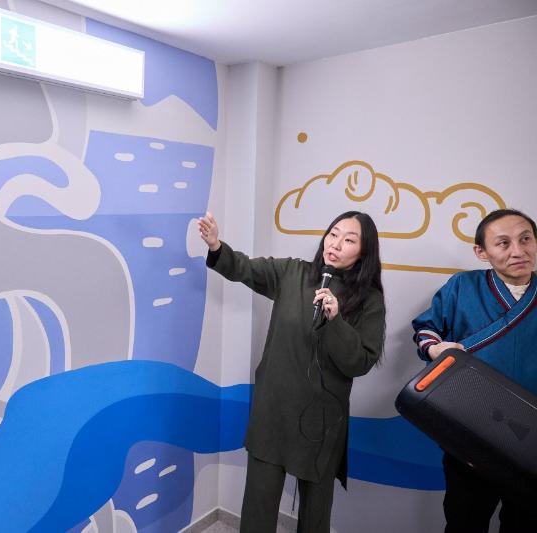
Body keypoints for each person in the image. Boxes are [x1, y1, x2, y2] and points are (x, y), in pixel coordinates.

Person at [199, 210, 386, 533]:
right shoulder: (292, 272)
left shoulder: (370, 300)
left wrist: (336, 321)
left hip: (322, 420)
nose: (335, 244)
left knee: (315, 514)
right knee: (258, 505)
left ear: (364, 252)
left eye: (349, 240)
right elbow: (245, 268)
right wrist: (216, 246)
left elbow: (359, 362)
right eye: (333, 234)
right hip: (274, 410)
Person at [412, 208, 537, 533]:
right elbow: (426, 330)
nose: (518, 251)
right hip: (470, 428)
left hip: (530, 436)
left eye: (526, 239)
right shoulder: (462, 286)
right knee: (465, 520)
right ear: (482, 252)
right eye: (503, 243)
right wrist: (436, 349)